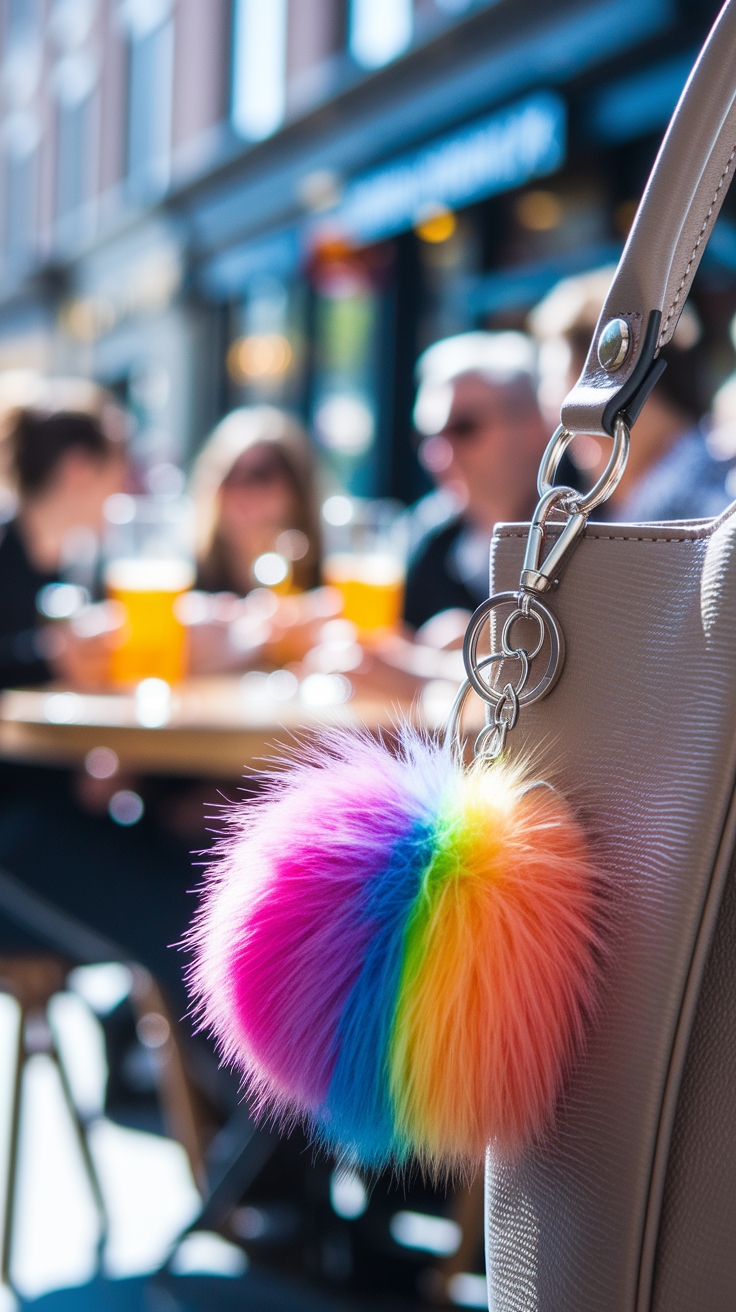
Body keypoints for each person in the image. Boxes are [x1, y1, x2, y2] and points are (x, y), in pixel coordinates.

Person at [530, 267, 734, 520]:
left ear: (624, 384)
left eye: (560, 389)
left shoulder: (717, 507)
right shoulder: (628, 511)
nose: (557, 418)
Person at [404, 332, 550, 630]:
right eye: (427, 436)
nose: (438, 455)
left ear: (536, 426)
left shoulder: (596, 534)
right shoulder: (425, 541)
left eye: (464, 427)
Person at [0, 404, 128, 690]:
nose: (121, 492)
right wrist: (49, 655)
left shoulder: (77, 564)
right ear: (77, 469)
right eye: (118, 476)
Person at [191, 406, 320, 595]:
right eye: (230, 475)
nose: (242, 490)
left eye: (260, 474)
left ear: (297, 491)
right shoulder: (186, 576)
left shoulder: (327, 579)